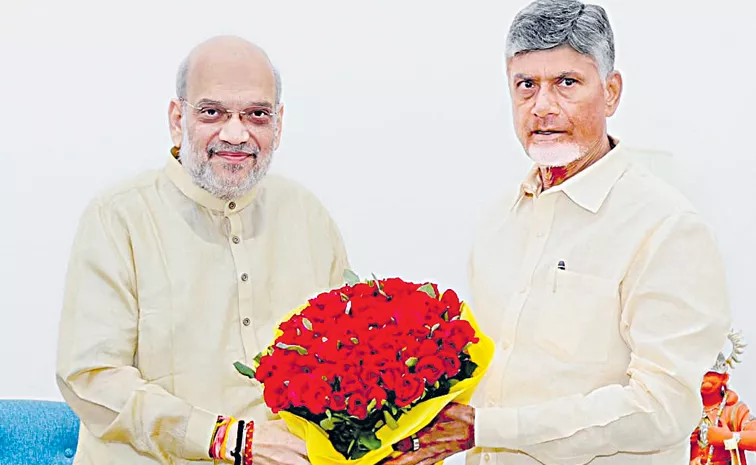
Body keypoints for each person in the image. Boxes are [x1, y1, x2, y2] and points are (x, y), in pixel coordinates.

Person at [382, 1, 732, 464]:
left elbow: (663, 408)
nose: (543, 107)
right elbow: (487, 379)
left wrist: (486, 429)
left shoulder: (666, 227)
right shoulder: (498, 220)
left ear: (611, 92)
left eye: (567, 83)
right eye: (526, 85)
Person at [55, 35, 349, 465]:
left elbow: (350, 355)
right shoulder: (118, 218)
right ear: (178, 119)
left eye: (257, 114)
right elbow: (91, 378)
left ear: (279, 124)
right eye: (212, 112)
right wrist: (228, 439)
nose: (236, 133)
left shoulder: (307, 215)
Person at [690, 330, 755, 465]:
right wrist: (682, 440)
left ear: (724, 378)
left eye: (711, 374)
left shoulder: (735, 410)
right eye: (701, 375)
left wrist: (728, 438)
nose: (705, 379)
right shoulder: (687, 408)